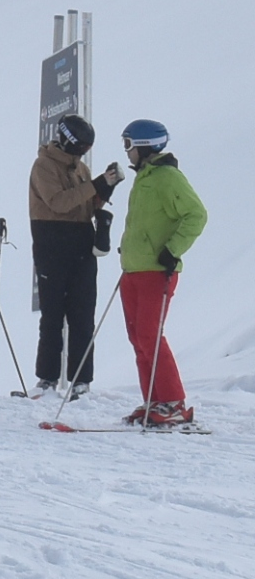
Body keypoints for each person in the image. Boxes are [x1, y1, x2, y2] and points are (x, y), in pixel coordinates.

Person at [115, 120, 206, 428]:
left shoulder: (168, 177)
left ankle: (174, 403)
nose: (127, 151)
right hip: (133, 269)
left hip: (156, 270)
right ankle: (155, 401)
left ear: (145, 146)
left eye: (129, 145)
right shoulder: (144, 178)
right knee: (138, 337)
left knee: (149, 335)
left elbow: (196, 215)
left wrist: (173, 250)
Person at [29, 115, 122, 397]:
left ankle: (81, 379)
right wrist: (95, 184)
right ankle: (47, 377)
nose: (83, 153)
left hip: (81, 242)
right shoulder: (44, 165)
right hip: (51, 242)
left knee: (83, 314)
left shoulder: (80, 167)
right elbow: (58, 202)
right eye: (81, 147)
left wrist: (105, 189)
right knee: (53, 314)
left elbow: (84, 205)